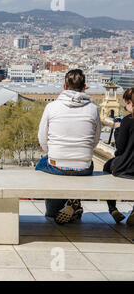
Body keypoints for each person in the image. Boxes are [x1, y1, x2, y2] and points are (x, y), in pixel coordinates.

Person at [36, 69, 101, 225]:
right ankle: (74, 203)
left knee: (41, 166)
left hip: (57, 164)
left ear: (64, 86)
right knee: (76, 168)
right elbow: (96, 139)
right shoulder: (93, 109)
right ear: (84, 87)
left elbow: (42, 138)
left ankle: (52, 211)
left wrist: (51, 153)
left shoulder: (51, 107)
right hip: (84, 166)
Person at [104, 87, 134, 225]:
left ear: (131, 103)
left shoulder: (128, 120)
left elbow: (120, 148)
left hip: (126, 168)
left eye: (125, 104)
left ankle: (112, 208)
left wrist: (117, 130)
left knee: (107, 166)